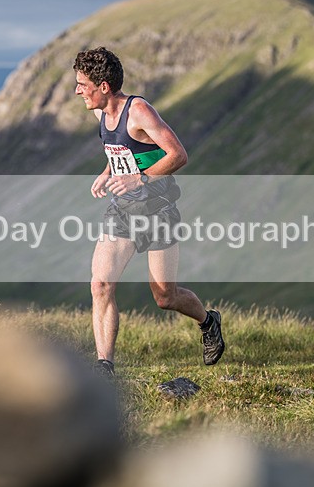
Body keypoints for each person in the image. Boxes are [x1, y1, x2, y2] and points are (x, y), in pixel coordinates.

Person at [73, 47, 225, 377]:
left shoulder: (138, 110)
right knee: (100, 285)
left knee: (165, 297)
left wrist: (138, 178)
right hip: (122, 212)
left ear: (103, 86)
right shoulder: (100, 114)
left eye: (82, 84)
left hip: (159, 211)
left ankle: (208, 321)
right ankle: (104, 367)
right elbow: (125, 150)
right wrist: (108, 171)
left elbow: (178, 155)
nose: (77, 91)